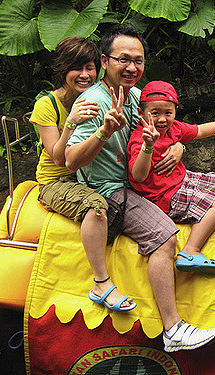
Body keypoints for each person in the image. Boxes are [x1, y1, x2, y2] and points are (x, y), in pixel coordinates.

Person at [65, 25, 215, 353]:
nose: (132, 67)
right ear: (105, 61)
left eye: (139, 60)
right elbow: (70, 161)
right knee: (164, 235)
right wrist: (104, 132)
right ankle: (173, 328)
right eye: (123, 60)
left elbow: (167, 128)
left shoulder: (136, 95)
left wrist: (179, 147)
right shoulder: (93, 102)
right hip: (110, 188)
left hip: (138, 180)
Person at [29, 36, 135, 312]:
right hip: (58, 180)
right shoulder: (48, 105)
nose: (85, 75)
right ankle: (101, 282)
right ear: (62, 70)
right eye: (77, 68)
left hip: (92, 174)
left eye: (90, 67)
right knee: (95, 206)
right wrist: (71, 123)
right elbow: (59, 158)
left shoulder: (102, 96)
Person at [127, 81, 215, 274]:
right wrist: (148, 146)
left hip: (179, 178)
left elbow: (200, 130)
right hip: (163, 195)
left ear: (175, 111)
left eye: (167, 113)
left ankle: (200, 195)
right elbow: (138, 176)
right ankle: (190, 251)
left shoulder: (174, 128)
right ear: (141, 113)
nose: (161, 119)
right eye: (154, 113)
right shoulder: (141, 138)